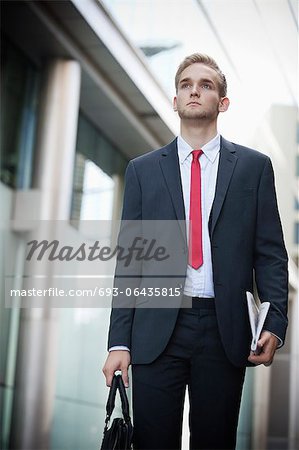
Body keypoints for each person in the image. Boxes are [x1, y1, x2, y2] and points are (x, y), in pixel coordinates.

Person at [103, 53, 288, 450]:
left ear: (222, 103)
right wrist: (119, 342)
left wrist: (274, 323)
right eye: (186, 84)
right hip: (156, 330)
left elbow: (270, 253)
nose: (194, 90)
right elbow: (131, 262)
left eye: (205, 85)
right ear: (175, 100)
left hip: (224, 330)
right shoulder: (143, 170)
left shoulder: (254, 168)